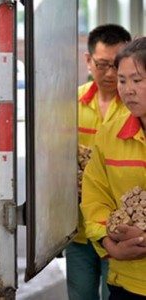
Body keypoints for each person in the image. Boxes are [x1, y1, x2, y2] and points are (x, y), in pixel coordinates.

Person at [66, 24, 131, 300]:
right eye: (102, 64)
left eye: (117, 65)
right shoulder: (69, 103)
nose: (110, 74)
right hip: (79, 230)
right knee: (81, 294)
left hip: (121, 230)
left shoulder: (134, 106)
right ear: (88, 60)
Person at [81, 36, 146, 299]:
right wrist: (109, 244)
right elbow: (95, 197)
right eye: (122, 80)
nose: (127, 89)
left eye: (137, 80)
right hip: (126, 282)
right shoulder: (110, 133)